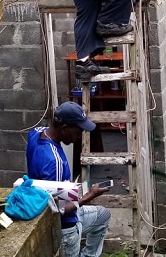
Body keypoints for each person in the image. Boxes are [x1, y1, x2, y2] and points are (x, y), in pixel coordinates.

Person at [26, 101, 111, 257]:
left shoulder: (36, 133)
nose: (80, 136)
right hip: (67, 227)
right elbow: (61, 209)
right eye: (78, 131)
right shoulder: (54, 162)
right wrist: (90, 195)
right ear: (64, 128)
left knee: (103, 215)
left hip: (60, 200)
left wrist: (71, 189)